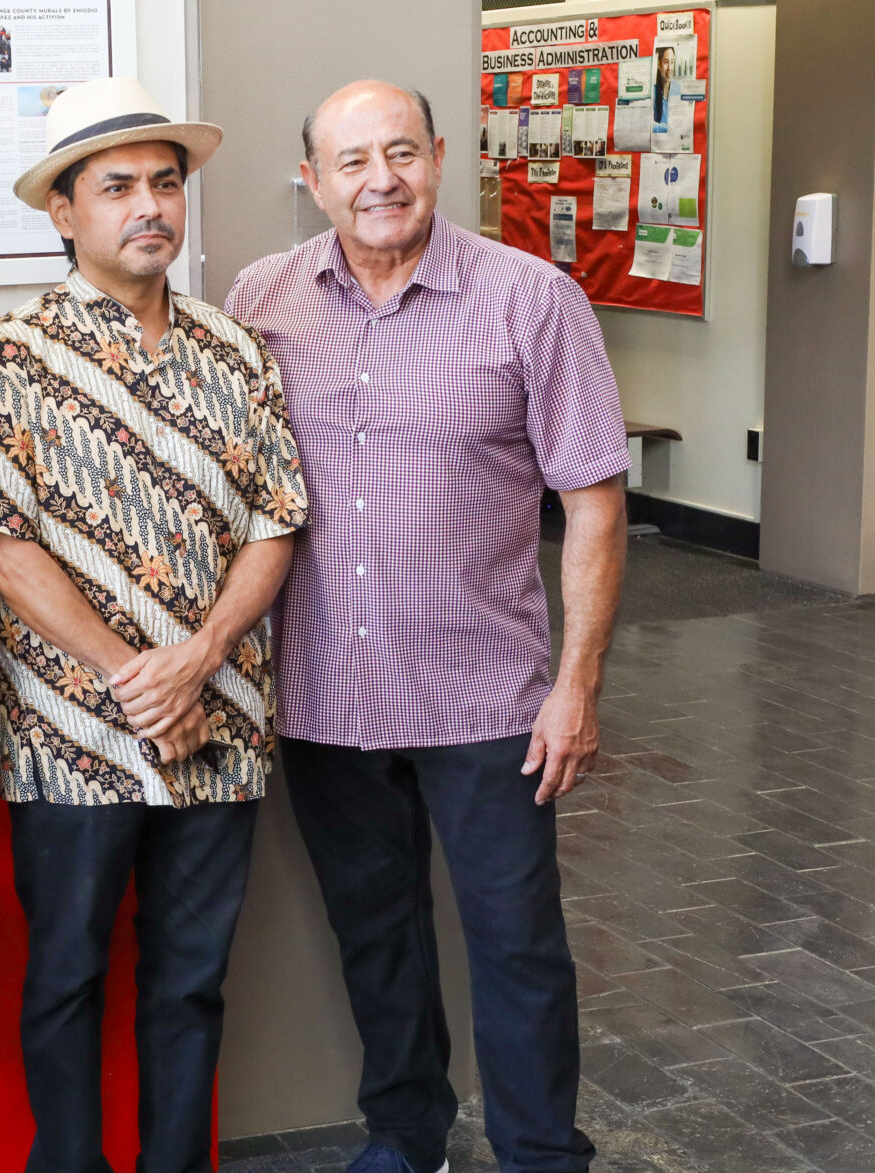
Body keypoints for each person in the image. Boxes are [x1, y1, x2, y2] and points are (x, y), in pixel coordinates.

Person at [227, 80, 629, 1173]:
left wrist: (576, 683)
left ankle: (542, 1153)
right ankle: (407, 1137)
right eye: (350, 161)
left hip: (483, 697)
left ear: (439, 157)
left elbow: (591, 499)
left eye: (398, 152)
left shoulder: (528, 299)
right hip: (320, 694)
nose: (379, 181)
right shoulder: (257, 300)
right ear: (311, 181)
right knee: (375, 935)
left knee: (516, 946)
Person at [0, 76, 308, 1173]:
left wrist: (197, 661)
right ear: (62, 211)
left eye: (164, 182)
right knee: (65, 977)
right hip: (70, 735)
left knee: (189, 980)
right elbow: (3, 545)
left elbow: (274, 523)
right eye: (115, 186)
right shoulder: (7, 358)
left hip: (222, 722)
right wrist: (133, 678)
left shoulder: (237, 350)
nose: (147, 205)